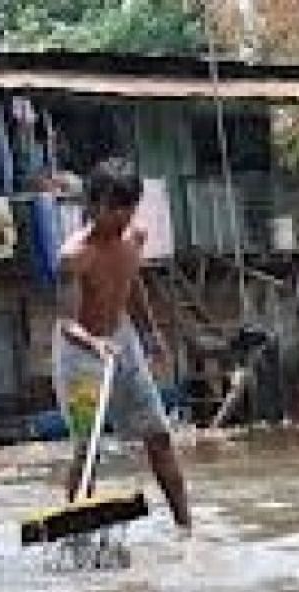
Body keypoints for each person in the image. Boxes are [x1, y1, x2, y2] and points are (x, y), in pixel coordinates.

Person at [54, 158, 192, 533]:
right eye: (117, 208)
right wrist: (95, 344)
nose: (124, 217)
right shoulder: (74, 256)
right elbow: (66, 322)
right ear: (95, 206)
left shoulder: (135, 237)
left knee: (159, 436)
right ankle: (76, 533)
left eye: (130, 207)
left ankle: (186, 530)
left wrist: (151, 334)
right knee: (87, 449)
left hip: (125, 344)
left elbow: (131, 285)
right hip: (80, 357)